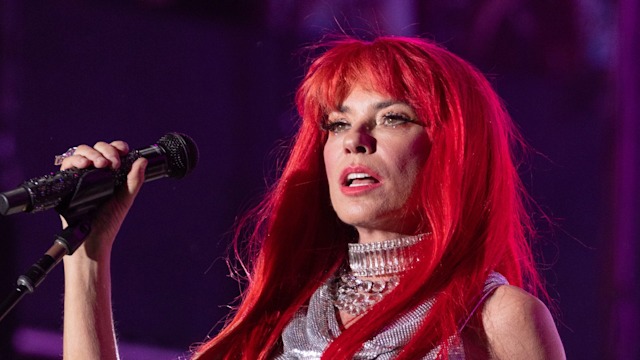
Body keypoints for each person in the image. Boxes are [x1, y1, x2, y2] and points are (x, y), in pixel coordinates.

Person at [59, 36, 565, 359]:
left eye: (392, 118)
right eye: (338, 124)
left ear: (457, 149)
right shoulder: (282, 317)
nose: (354, 140)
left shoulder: (498, 318)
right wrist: (88, 256)